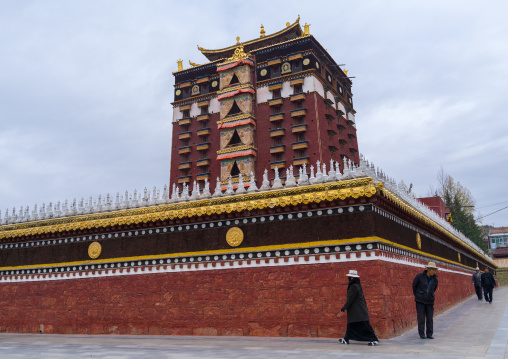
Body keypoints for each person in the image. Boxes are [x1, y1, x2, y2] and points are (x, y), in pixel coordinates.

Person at [338, 270, 379, 346]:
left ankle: (374, 339)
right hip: (356, 310)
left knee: (365, 325)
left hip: (358, 311)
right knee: (351, 325)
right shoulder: (356, 285)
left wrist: (343, 308)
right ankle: (346, 339)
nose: (349, 278)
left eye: (350, 276)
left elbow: (350, 299)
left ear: (352, 277)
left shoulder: (354, 286)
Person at [412, 261, 438, 339]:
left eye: (434, 270)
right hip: (420, 301)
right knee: (421, 318)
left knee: (430, 318)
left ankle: (429, 333)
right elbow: (414, 286)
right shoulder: (419, 276)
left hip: (430, 301)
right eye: (432, 270)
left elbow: (434, 289)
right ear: (428, 269)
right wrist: (418, 295)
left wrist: (429, 295)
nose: (434, 271)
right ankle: (422, 334)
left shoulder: (435, 280)